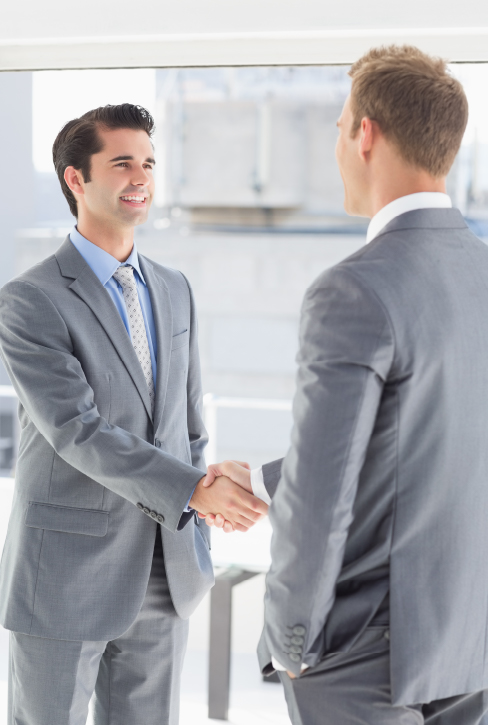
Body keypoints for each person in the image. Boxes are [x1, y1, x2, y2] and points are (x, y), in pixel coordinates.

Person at [203, 46, 488, 723]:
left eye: (338, 126)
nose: (336, 143)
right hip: (470, 633)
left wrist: (292, 640)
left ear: (366, 134)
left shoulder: (353, 289)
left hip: (367, 652)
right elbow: (436, 436)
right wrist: (269, 480)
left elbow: (324, 497)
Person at [0, 103, 267, 725]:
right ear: (76, 179)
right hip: (65, 575)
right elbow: (76, 429)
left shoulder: (174, 287)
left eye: (148, 162)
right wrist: (194, 489)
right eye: (122, 163)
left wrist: (202, 493)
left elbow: (187, 421)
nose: (140, 177)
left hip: (165, 569)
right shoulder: (30, 300)